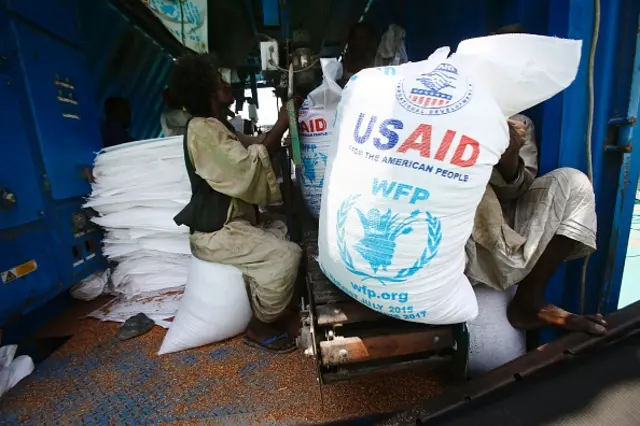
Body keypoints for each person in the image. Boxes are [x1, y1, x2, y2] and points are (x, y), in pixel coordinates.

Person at [465, 25, 606, 336]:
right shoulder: (456, 107)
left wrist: (509, 156)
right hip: (459, 234)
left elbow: (519, 187)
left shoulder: (520, 122)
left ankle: (530, 299)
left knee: (574, 183)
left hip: (500, 225)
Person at [168, 53, 303, 353]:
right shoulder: (202, 130)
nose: (226, 84)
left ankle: (278, 309)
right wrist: (284, 119)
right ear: (208, 91)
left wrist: (279, 133)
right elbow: (246, 168)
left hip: (233, 224)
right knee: (285, 257)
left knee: (283, 228)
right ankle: (261, 324)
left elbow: (255, 146)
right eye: (219, 79)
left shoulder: (217, 126)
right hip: (217, 233)